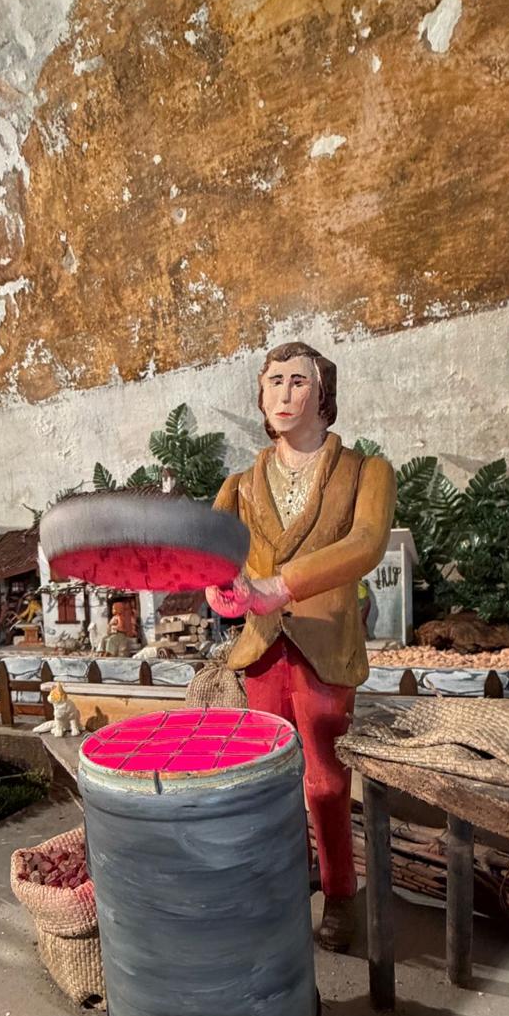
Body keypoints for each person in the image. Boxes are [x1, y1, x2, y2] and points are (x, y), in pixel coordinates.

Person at [206, 341, 395, 949]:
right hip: (263, 648)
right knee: (268, 775)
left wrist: (281, 585)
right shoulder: (240, 485)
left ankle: (340, 892)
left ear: (323, 392)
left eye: (298, 381)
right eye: (274, 382)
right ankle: (288, 876)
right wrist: (219, 588)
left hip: (323, 645)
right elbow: (213, 552)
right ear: (260, 396)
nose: (284, 394)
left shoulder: (366, 472)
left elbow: (365, 543)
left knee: (326, 779)